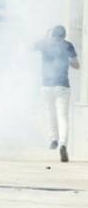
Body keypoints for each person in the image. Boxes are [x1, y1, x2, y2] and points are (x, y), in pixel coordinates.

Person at [34, 26, 79, 162]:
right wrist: (68, 61)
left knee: (50, 113)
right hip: (63, 86)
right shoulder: (67, 45)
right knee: (63, 117)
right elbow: (76, 65)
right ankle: (63, 144)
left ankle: (53, 138)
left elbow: (28, 46)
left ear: (52, 34)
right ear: (64, 35)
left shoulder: (45, 44)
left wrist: (45, 36)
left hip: (47, 86)